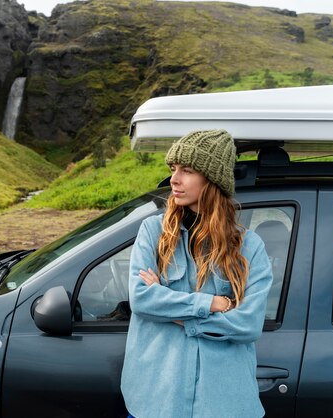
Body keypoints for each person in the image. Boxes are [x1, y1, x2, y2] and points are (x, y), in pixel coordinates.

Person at [121, 129, 273, 418]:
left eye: (187, 170)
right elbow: (141, 299)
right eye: (173, 169)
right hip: (156, 402)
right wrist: (211, 304)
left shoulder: (249, 247)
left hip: (224, 405)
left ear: (212, 180)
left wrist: (175, 314)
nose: (174, 180)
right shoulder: (153, 233)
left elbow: (249, 325)